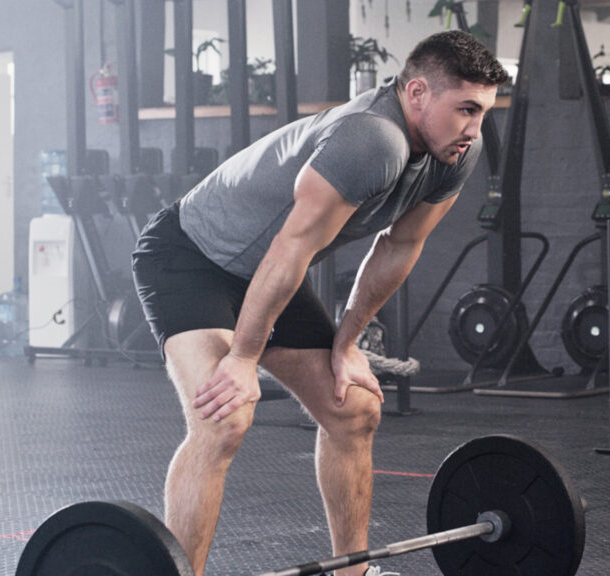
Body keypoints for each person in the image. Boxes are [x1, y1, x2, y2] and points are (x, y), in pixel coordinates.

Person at [132, 30, 509, 576]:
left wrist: (347, 342)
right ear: (419, 92)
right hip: (191, 257)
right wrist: (241, 358)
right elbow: (291, 248)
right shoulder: (372, 141)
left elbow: (400, 245)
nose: (475, 130)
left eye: (484, 113)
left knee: (354, 410)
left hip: (269, 273)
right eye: (466, 110)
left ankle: (351, 574)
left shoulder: (455, 153)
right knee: (224, 417)